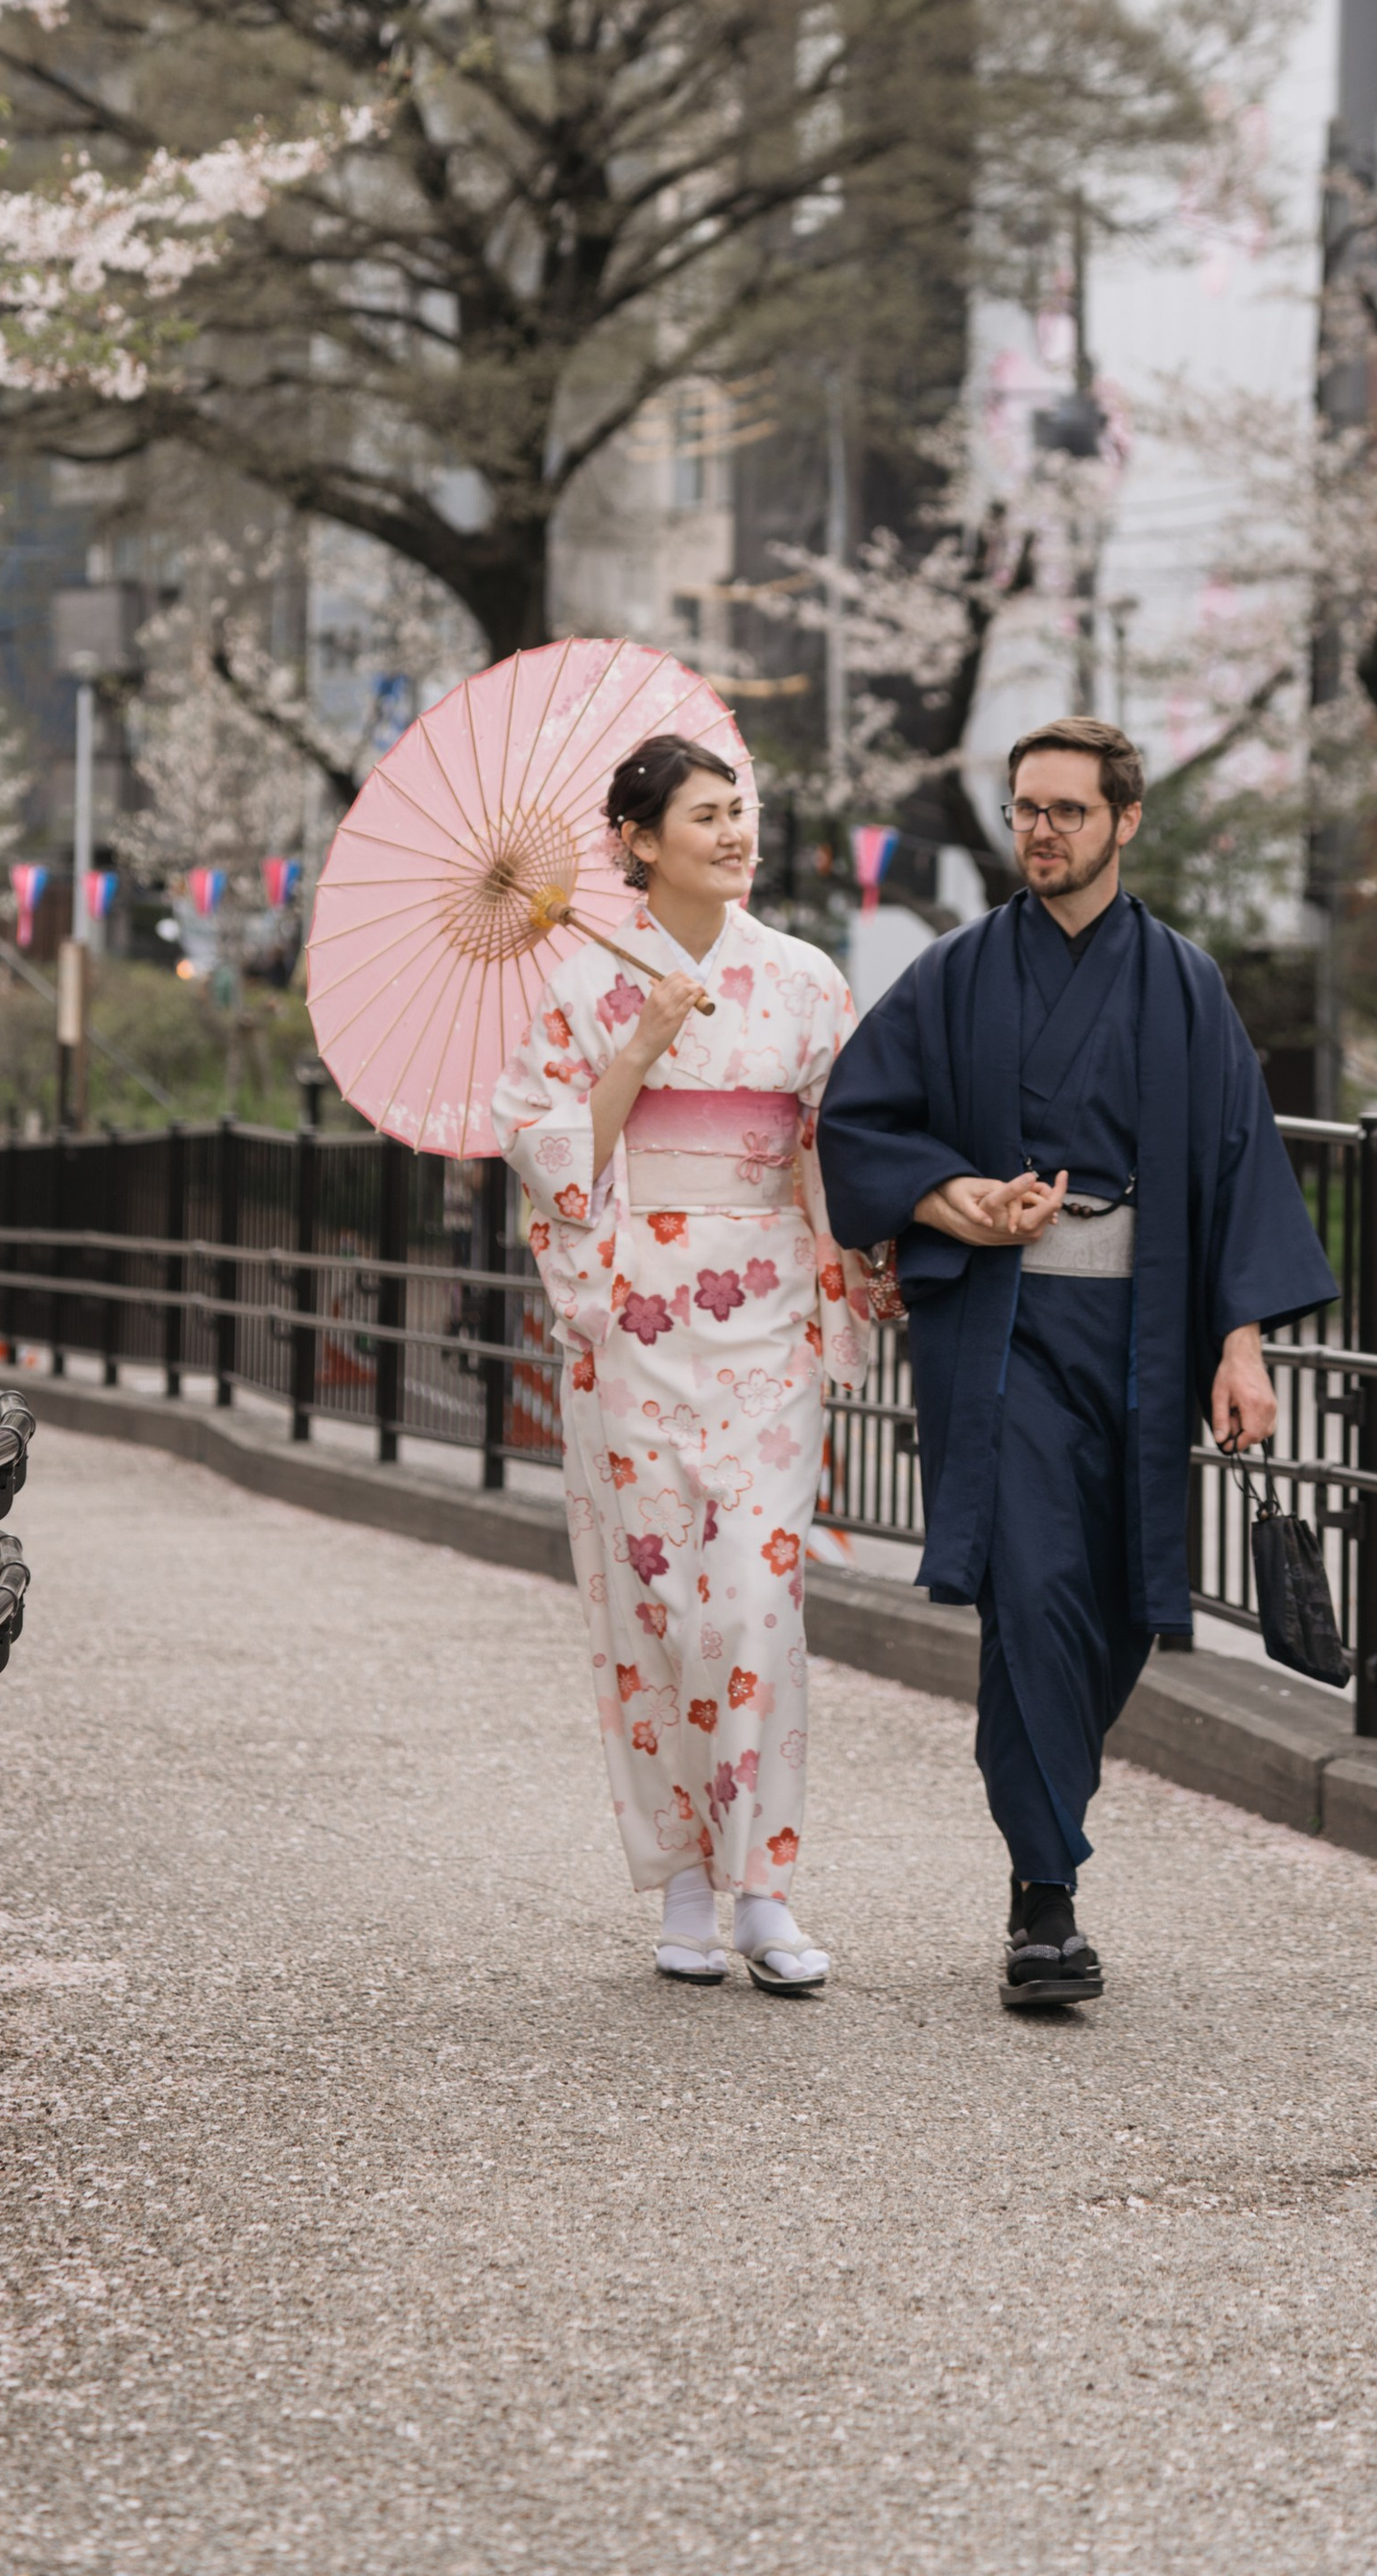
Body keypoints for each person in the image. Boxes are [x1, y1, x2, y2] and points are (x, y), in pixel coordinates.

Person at [816, 717, 1337, 2010]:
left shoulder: (1183, 984)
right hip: (1003, 1331)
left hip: (1148, 1332)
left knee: (1112, 1608)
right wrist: (955, 1201)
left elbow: (1235, 1170)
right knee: (1036, 1587)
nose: (1039, 831)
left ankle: (1042, 1833)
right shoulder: (953, 974)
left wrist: (1242, 1342)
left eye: (1065, 809)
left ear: (1124, 822)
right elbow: (863, 1124)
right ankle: (1044, 1902)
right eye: (1024, 809)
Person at [490, 735, 871, 1993]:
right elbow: (549, 1163)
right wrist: (640, 1046)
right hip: (635, 1322)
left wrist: (865, 1267)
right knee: (655, 1601)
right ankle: (688, 1877)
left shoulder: (807, 982)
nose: (736, 832)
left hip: (767, 1315)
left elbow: (840, 1152)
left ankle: (763, 1883)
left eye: (744, 810)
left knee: (753, 1601)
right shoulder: (575, 994)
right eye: (707, 815)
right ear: (639, 845)